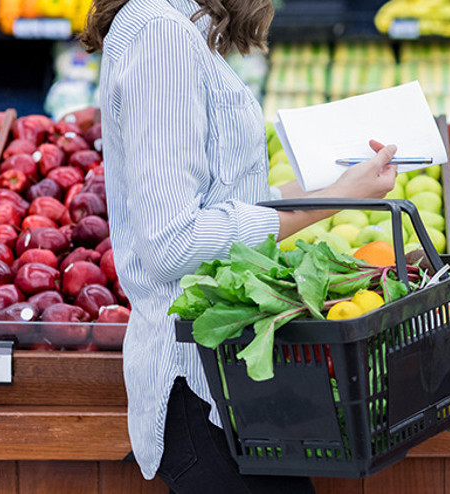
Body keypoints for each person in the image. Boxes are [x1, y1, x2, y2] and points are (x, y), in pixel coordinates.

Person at [81, 0, 397, 491]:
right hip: (199, 386)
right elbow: (173, 242)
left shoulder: (178, 29)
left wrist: (338, 188)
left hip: (233, 384)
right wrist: (333, 202)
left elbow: (228, 203)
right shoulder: (161, 37)